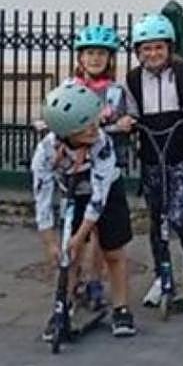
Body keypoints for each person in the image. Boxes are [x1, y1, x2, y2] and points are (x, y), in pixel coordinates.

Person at [118, 13, 183, 308]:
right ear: (138, 52)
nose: (153, 54)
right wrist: (126, 121)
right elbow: (130, 111)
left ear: (169, 48)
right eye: (146, 49)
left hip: (181, 154)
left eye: (159, 47)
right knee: (156, 215)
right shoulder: (133, 80)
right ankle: (162, 276)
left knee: (178, 213)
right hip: (151, 155)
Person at [31, 81, 136, 338]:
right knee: (69, 257)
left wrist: (80, 237)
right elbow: (42, 199)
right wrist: (50, 243)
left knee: (113, 250)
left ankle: (121, 308)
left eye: (94, 121)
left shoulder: (102, 144)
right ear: (66, 131)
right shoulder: (45, 152)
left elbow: (99, 199)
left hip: (107, 191)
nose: (94, 129)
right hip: (72, 193)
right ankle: (63, 306)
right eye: (85, 125)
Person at [64, 23, 128, 310]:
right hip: (76, 169)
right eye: (89, 53)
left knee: (104, 232)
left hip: (107, 166)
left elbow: (125, 120)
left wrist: (125, 123)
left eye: (101, 54)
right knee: (76, 229)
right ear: (80, 58)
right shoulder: (69, 89)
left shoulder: (116, 92)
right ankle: (69, 287)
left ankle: (95, 281)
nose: (95, 59)